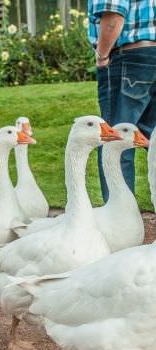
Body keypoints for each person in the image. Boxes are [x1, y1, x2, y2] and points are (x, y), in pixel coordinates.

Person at [88, 1, 156, 202]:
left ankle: (119, 220)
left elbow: (113, 16)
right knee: (151, 135)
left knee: (115, 141)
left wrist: (102, 57)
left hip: (130, 58)